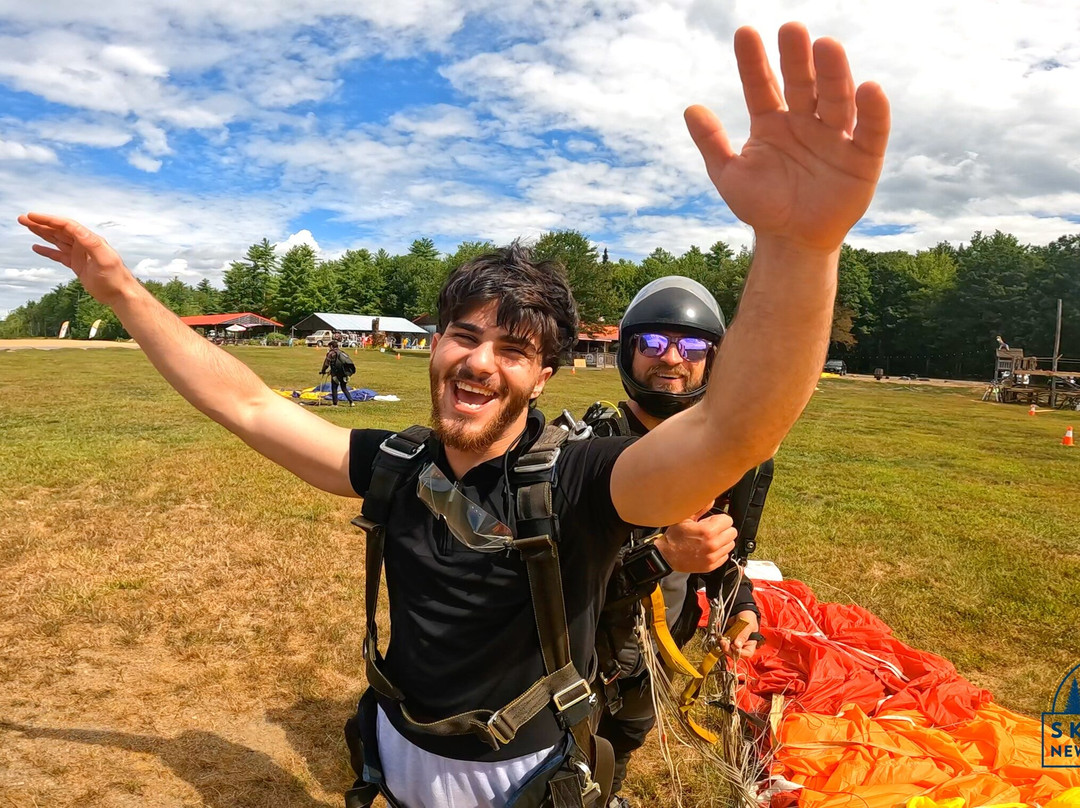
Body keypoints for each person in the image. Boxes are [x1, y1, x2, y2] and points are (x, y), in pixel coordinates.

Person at [18, 21, 889, 807]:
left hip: (529, 780)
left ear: (546, 375)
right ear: (436, 344)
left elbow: (734, 428)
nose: (479, 361)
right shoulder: (397, 466)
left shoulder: (585, 482)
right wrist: (122, 291)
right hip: (396, 758)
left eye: (513, 349)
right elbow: (243, 401)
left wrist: (799, 249)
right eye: (464, 336)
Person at [588, 277, 768, 807]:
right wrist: (661, 556)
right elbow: (557, 565)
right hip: (582, 635)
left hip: (667, 638)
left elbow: (728, 554)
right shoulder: (588, 447)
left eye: (691, 347)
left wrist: (744, 608)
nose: (671, 359)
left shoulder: (731, 459)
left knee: (626, 734)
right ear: (628, 352)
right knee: (568, 739)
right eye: (652, 343)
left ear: (712, 360)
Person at [321, 339, 356, 406]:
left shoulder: (331, 353)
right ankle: (351, 402)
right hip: (344, 373)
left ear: (331, 346)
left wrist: (323, 371)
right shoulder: (342, 353)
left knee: (334, 388)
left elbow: (326, 364)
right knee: (344, 388)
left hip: (336, 374)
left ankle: (335, 404)